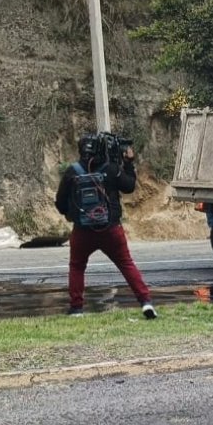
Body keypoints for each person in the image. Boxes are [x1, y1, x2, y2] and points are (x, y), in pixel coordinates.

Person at [55, 133, 157, 319]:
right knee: (126, 264)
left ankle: (76, 309)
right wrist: (127, 163)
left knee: (77, 266)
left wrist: (73, 214)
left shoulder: (73, 171)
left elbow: (60, 203)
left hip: (82, 231)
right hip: (111, 229)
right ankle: (146, 302)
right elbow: (129, 186)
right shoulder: (110, 169)